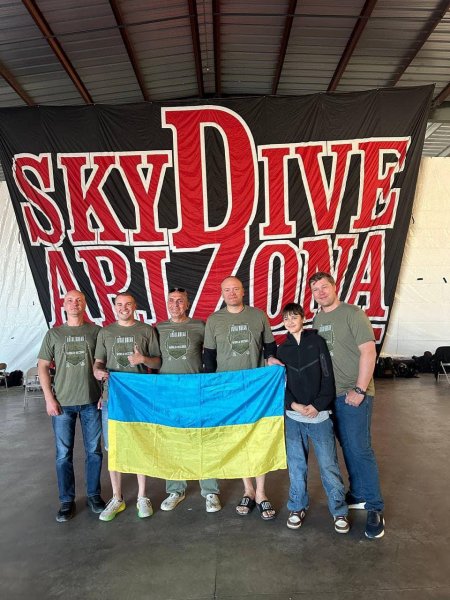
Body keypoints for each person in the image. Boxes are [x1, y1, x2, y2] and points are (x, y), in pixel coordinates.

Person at [310, 272, 385, 539]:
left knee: (360, 449)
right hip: (330, 396)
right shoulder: (317, 319)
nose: (320, 292)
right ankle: (358, 493)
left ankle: (375, 506)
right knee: (347, 446)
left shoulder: (353, 314)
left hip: (353, 394)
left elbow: (368, 351)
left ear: (335, 287)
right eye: (316, 289)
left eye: (324, 287)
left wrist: (360, 389)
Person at [203, 276, 281, 520]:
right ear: (222, 293)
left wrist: (271, 364)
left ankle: (261, 493)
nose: (232, 293)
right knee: (238, 438)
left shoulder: (258, 316)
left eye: (235, 289)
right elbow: (209, 356)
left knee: (258, 438)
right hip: (227, 389)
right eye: (227, 290)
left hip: (256, 387)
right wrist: (212, 389)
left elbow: (270, 348)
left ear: (243, 291)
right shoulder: (214, 320)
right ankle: (248, 490)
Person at [277, 303, 349, 533]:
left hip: (319, 416)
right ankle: (297, 506)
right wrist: (293, 405)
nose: (290, 321)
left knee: (328, 465)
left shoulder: (317, 342)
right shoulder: (282, 350)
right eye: (286, 318)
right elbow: (281, 385)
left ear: (303, 318)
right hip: (293, 417)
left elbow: (328, 377)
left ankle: (339, 510)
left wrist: (318, 405)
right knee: (296, 466)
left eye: (294, 317)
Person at [93, 292, 161, 522]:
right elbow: (98, 362)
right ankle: (117, 497)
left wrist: (143, 360)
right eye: (119, 304)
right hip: (112, 397)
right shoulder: (105, 332)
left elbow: (158, 361)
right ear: (114, 307)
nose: (124, 308)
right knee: (113, 447)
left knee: (139, 444)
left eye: (128, 304)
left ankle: (142, 496)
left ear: (135, 306)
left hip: (139, 398)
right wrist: (97, 371)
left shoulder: (146, 330)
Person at [38, 290, 104, 522]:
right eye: (70, 300)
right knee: (63, 454)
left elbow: (104, 364)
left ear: (85, 304)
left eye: (78, 300)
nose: (74, 303)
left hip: (91, 401)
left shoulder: (96, 332)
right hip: (62, 404)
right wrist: (49, 398)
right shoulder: (54, 334)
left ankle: (94, 495)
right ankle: (67, 500)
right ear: (63, 305)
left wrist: (104, 393)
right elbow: (42, 366)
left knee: (94, 452)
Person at [156, 287, 221, 513]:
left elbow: (213, 353)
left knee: (203, 439)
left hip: (196, 391)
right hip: (169, 393)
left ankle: (210, 491)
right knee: (173, 440)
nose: (175, 305)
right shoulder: (159, 328)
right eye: (171, 300)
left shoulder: (200, 326)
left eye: (180, 301)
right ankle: (176, 490)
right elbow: (154, 360)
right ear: (167, 303)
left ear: (187, 304)